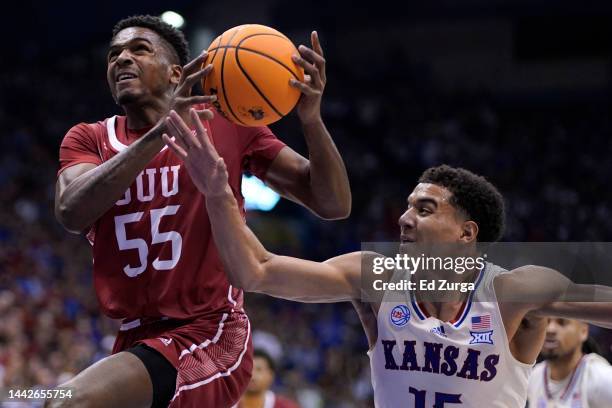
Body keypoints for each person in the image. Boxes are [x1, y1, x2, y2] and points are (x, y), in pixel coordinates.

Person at [160, 113, 612, 408]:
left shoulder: (513, 291)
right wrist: (217, 193)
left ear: (466, 233)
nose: (404, 218)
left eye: (425, 209)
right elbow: (256, 272)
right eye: (408, 205)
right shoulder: (377, 275)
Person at [50, 14, 350, 408]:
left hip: (208, 332)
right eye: (114, 54)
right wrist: (161, 133)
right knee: (44, 395)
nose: (121, 59)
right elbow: (72, 211)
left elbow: (332, 203)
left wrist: (311, 121)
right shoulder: (88, 138)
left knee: (65, 401)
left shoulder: (226, 121)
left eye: (138, 49)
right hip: (135, 339)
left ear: (177, 72)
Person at [527, 318, 612, 407]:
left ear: (583, 331)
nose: (550, 329)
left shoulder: (601, 377)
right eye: (546, 322)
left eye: (562, 323)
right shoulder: (534, 376)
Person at [234, 349, 299, 408]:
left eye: (259, 370)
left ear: (270, 375)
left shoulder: (286, 406)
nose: (252, 375)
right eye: (248, 369)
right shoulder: (225, 404)